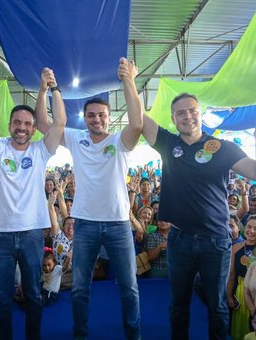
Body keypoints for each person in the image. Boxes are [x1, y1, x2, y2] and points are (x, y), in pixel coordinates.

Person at [35, 57, 143, 340]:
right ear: (85, 118)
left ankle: (134, 335)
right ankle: (80, 335)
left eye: (102, 115)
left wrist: (128, 81)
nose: (97, 119)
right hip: (84, 225)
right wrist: (45, 89)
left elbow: (138, 122)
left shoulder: (120, 141)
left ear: (109, 117)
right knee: (81, 287)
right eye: (92, 115)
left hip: (119, 225)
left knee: (129, 287)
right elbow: (44, 124)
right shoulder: (75, 138)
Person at [0, 67, 66, 340]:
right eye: (17, 123)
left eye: (27, 124)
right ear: (9, 126)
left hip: (33, 235)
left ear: (33, 128)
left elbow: (59, 124)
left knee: (33, 294)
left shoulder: (41, 150)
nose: (22, 128)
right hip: (1, 237)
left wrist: (47, 90)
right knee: (3, 299)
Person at [142, 92, 256, 339]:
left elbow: (252, 168)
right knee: (178, 306)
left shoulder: (223, 148)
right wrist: (129, 80)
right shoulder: (168, 143)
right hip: (179, 240)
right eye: (181, 112)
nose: (188, 116)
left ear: (200, 113)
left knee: (217, 306)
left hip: (216, 241)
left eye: (192, 110)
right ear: (173, 118)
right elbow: (139, 118)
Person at [227, 215, 256, 340]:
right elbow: (232, 274)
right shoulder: (235, 248)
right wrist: (229, 296)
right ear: (244, 228)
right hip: (239, 292)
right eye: (249, 226)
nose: (252, 231)